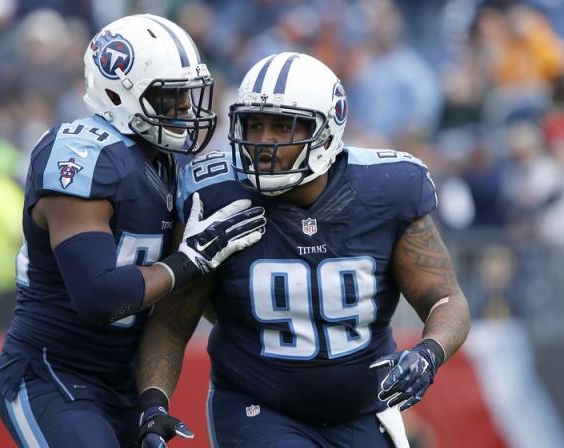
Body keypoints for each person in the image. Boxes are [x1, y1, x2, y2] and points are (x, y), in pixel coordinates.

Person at [136, 52, 471, 448]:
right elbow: (173, 321)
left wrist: (428, 353)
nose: (263, 141)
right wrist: (153, 404)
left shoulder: (388, 190)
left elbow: (445, 298)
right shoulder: (216, 196)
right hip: (258, 407)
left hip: (364, 410)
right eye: (254, 124)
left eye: (283, 126)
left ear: (328, 131)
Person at [0, 14, 266, 448]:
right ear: (118, 91)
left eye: (187, 96)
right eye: (170, 99)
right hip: (55, 372)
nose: (185, 111)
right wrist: (190, 260)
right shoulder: (80, 155)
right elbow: (100, 297)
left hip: (125, 379)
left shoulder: (163, 158)